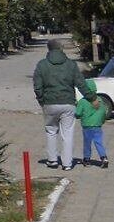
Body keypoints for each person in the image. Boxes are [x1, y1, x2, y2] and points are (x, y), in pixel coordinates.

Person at [33, 38, 89, 171]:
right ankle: (67, 163)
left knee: (51, 131)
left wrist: (42, 100)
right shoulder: (71, 65)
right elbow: (81, 83)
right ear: (61, 49)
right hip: (68, 103)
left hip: (49, 103)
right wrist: (91, 97)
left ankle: (52, 160)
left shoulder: (41, 65)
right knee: (67, 133)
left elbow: (37, 86)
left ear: (49, 49)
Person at [75, 78, 110, 168]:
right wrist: (102, 121)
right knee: (99, 142)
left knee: (87, 143)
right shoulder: (100, 100)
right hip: (98, 125)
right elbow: (103, 112)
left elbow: (78, 113)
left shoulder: (83, 101)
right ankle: (104, 157)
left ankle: (87, 159)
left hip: (87, 125)